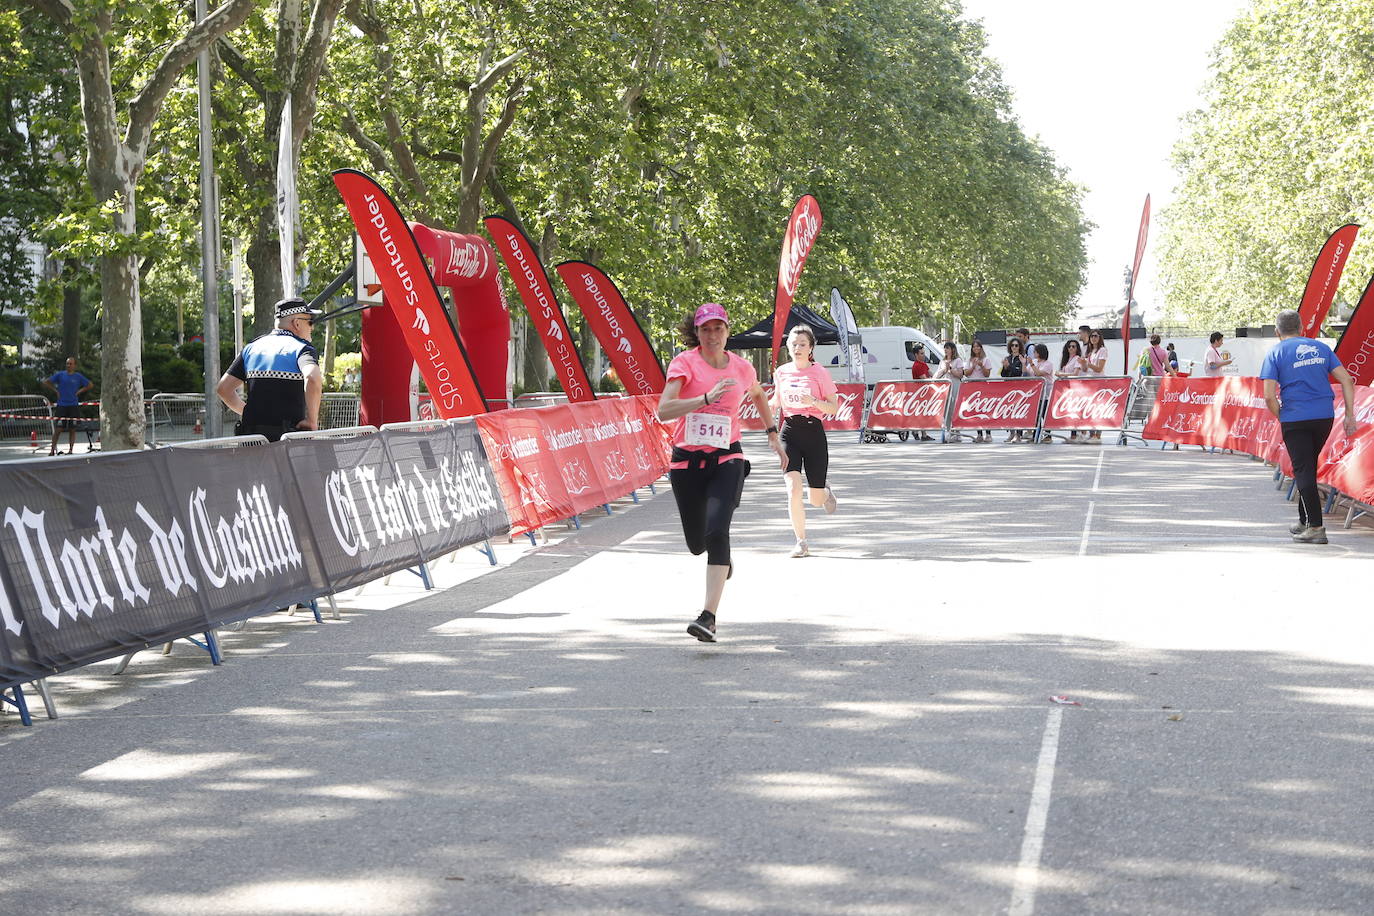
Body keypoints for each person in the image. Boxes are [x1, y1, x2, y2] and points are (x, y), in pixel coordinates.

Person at [658, 303, 786, 642]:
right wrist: (702, 399)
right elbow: (664, 410)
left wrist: (772, 433)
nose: (712, 335)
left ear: (728, 332)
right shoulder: (684, 363)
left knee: (718, 532)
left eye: (719, 329)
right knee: (697, 544)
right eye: (705, 329)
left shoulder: (742, 368)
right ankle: (722, 561)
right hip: (686, 462)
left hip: (727, 458)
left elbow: (758, 394)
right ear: (696, 333)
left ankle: (708, 617)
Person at [1260, 309, 1357, 544]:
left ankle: (1315, 527)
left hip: (1295, 417)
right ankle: (1305, 521)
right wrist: (1350, 415)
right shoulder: (1321, 348)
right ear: (1302, 328)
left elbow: (1269, 396)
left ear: (1277, 331)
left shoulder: (1276, 352)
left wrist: (1281, 416)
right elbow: (1346, 379)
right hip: (1324, 416)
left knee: (1303, 470)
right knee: (1307, 467)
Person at [771, 326, 841, 557]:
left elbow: (833, 406)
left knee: (815, 499)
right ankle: (801, 542)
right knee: (793, 489)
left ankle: (825, 492)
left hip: (813, 432)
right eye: (793, 344)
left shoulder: (819, 372)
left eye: (802, 344)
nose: (797, 348)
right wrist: (766, 403)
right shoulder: (781, 372)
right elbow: (777, 401)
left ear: (811, 348)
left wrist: (813, 401)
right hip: (789, 431)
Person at [216, 297, 324, 442]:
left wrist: (249, 414)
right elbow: (312, 377)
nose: (312, 328)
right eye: (310, 322)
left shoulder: (251, 348)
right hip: (288, 441)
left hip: (252, 440)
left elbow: (223, 389)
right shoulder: (301, 348)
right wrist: (312, 420)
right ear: (297, 323)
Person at [41, 356, 93, 456]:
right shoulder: (61, 375)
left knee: (72, 429)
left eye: (70, 364)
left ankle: (70, 450)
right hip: (62, 405)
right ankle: (52, 450)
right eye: (67, 363)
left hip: (73, 405)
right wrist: (56, 391)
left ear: (74, 365)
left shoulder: (78, 376)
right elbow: (46, 382)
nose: (68, 365)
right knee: (58, 429)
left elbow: (90, 385)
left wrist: (79, 391)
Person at [1000, 337, 1027, 442]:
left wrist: (1009, 366)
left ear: (1020, 347)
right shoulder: (1008, 358)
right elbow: (1003, 374)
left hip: (1019, 387)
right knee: (1009, 410)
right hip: (1008, 387)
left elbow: (1019, 372)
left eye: (1016, 345)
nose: (1014, 347)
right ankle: (1011, 433)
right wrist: (1005, 367)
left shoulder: (1022, 358)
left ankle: (1019, 435)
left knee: (1018, 410)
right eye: (1012, 345)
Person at [1027, 343, 1055, 443]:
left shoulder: (1048, 364)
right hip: (1036, 393)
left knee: (1044, 414)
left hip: (1046, 394)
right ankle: (1035, 435)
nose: (1033, 353)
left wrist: (1032, 364)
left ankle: (1048, 435)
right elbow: (1028, 372)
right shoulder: (1033, 362)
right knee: (1036, 414)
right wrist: (1023, 363)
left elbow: (1039, 373)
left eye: (1035, 351)